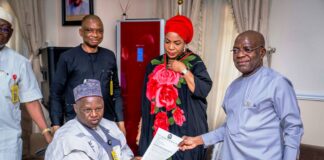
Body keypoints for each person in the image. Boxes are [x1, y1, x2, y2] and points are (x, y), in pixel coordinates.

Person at [179, 30, 304, 160]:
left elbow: (293, 128)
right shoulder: (232, 88)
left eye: (247, 49)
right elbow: (230, 128)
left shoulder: (278, 83)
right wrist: (198, 140)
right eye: (235, 50)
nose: (239, 55)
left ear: (261, 52)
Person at [138, 15, 213, 160]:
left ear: (185, 42)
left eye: (177, 43)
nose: (171, 47)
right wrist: (141, 129)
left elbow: (203, 89)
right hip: (157, 127)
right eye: (167, 42)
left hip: (185, 130)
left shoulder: (194, 62)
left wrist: (184, 71)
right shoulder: (154, 64)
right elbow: (146, 100)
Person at [50, 15, 126, 134]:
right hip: (76, 122)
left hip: (106, 120)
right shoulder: (67, 57)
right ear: (81, 32)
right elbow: (56, 93)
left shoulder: (109, 56)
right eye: (90, 30)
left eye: (99, 31)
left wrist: (120, 123)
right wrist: (56, 125)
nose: (95, 35)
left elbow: (115, 91)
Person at [0, 7, 52, 159]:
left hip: (6, 141)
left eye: (4, 29)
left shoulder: (20, 63)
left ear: (10, 33)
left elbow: (31, 101)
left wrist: (46, 132)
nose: (1, 32)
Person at [46, 79, 138, 160]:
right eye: (87, 110)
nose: (94, 114)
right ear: (76, 108)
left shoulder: (111, 126)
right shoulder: (67, 137)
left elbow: (124, 152)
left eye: (98, 109)